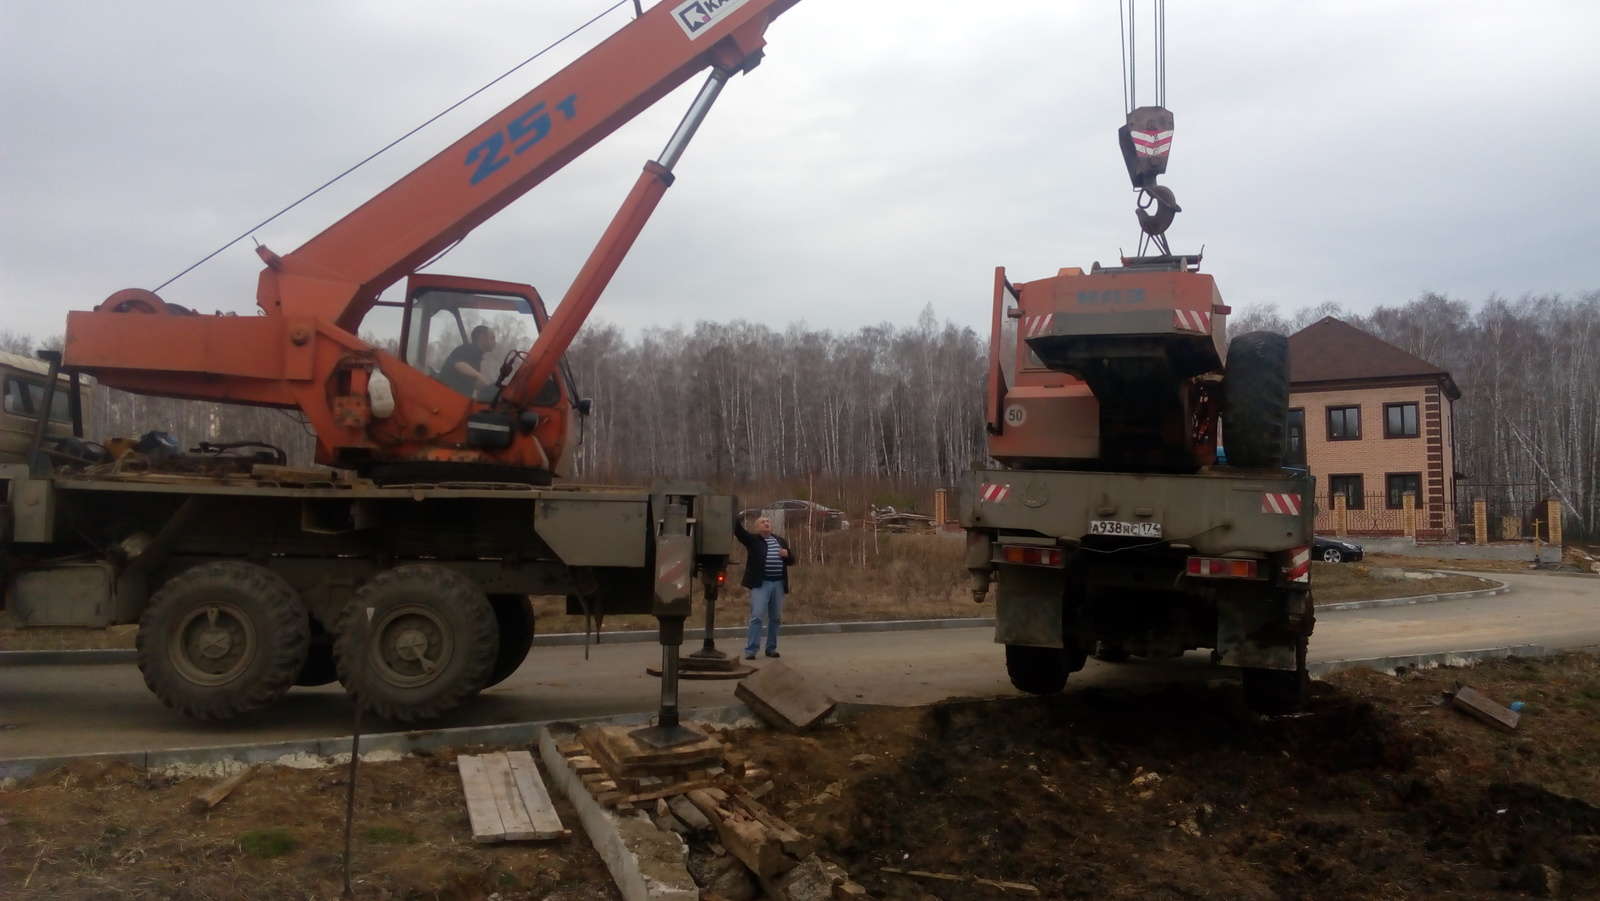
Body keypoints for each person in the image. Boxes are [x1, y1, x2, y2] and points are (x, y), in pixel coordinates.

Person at [733, 514, 792, 660]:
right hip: (761, 584)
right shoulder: (753, 540)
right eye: (762, 522)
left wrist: (787, 554)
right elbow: (738, 531)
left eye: (768, 521)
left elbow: (791, 561)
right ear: (757, 528)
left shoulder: (780, 540)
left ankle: (771, 648)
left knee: (775, 618)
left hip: (778, 583)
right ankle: (751, 650)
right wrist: (735, 516)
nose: (766, 523)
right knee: (757, 616)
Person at [439, 325, 497, 397]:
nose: (495, 342)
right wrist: (479, 375)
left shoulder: (476, 358)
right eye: (492, 338)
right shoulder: (468, 349)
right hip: (445, 396)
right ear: (481, 338)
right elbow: (459, 365)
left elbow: (463, 382)